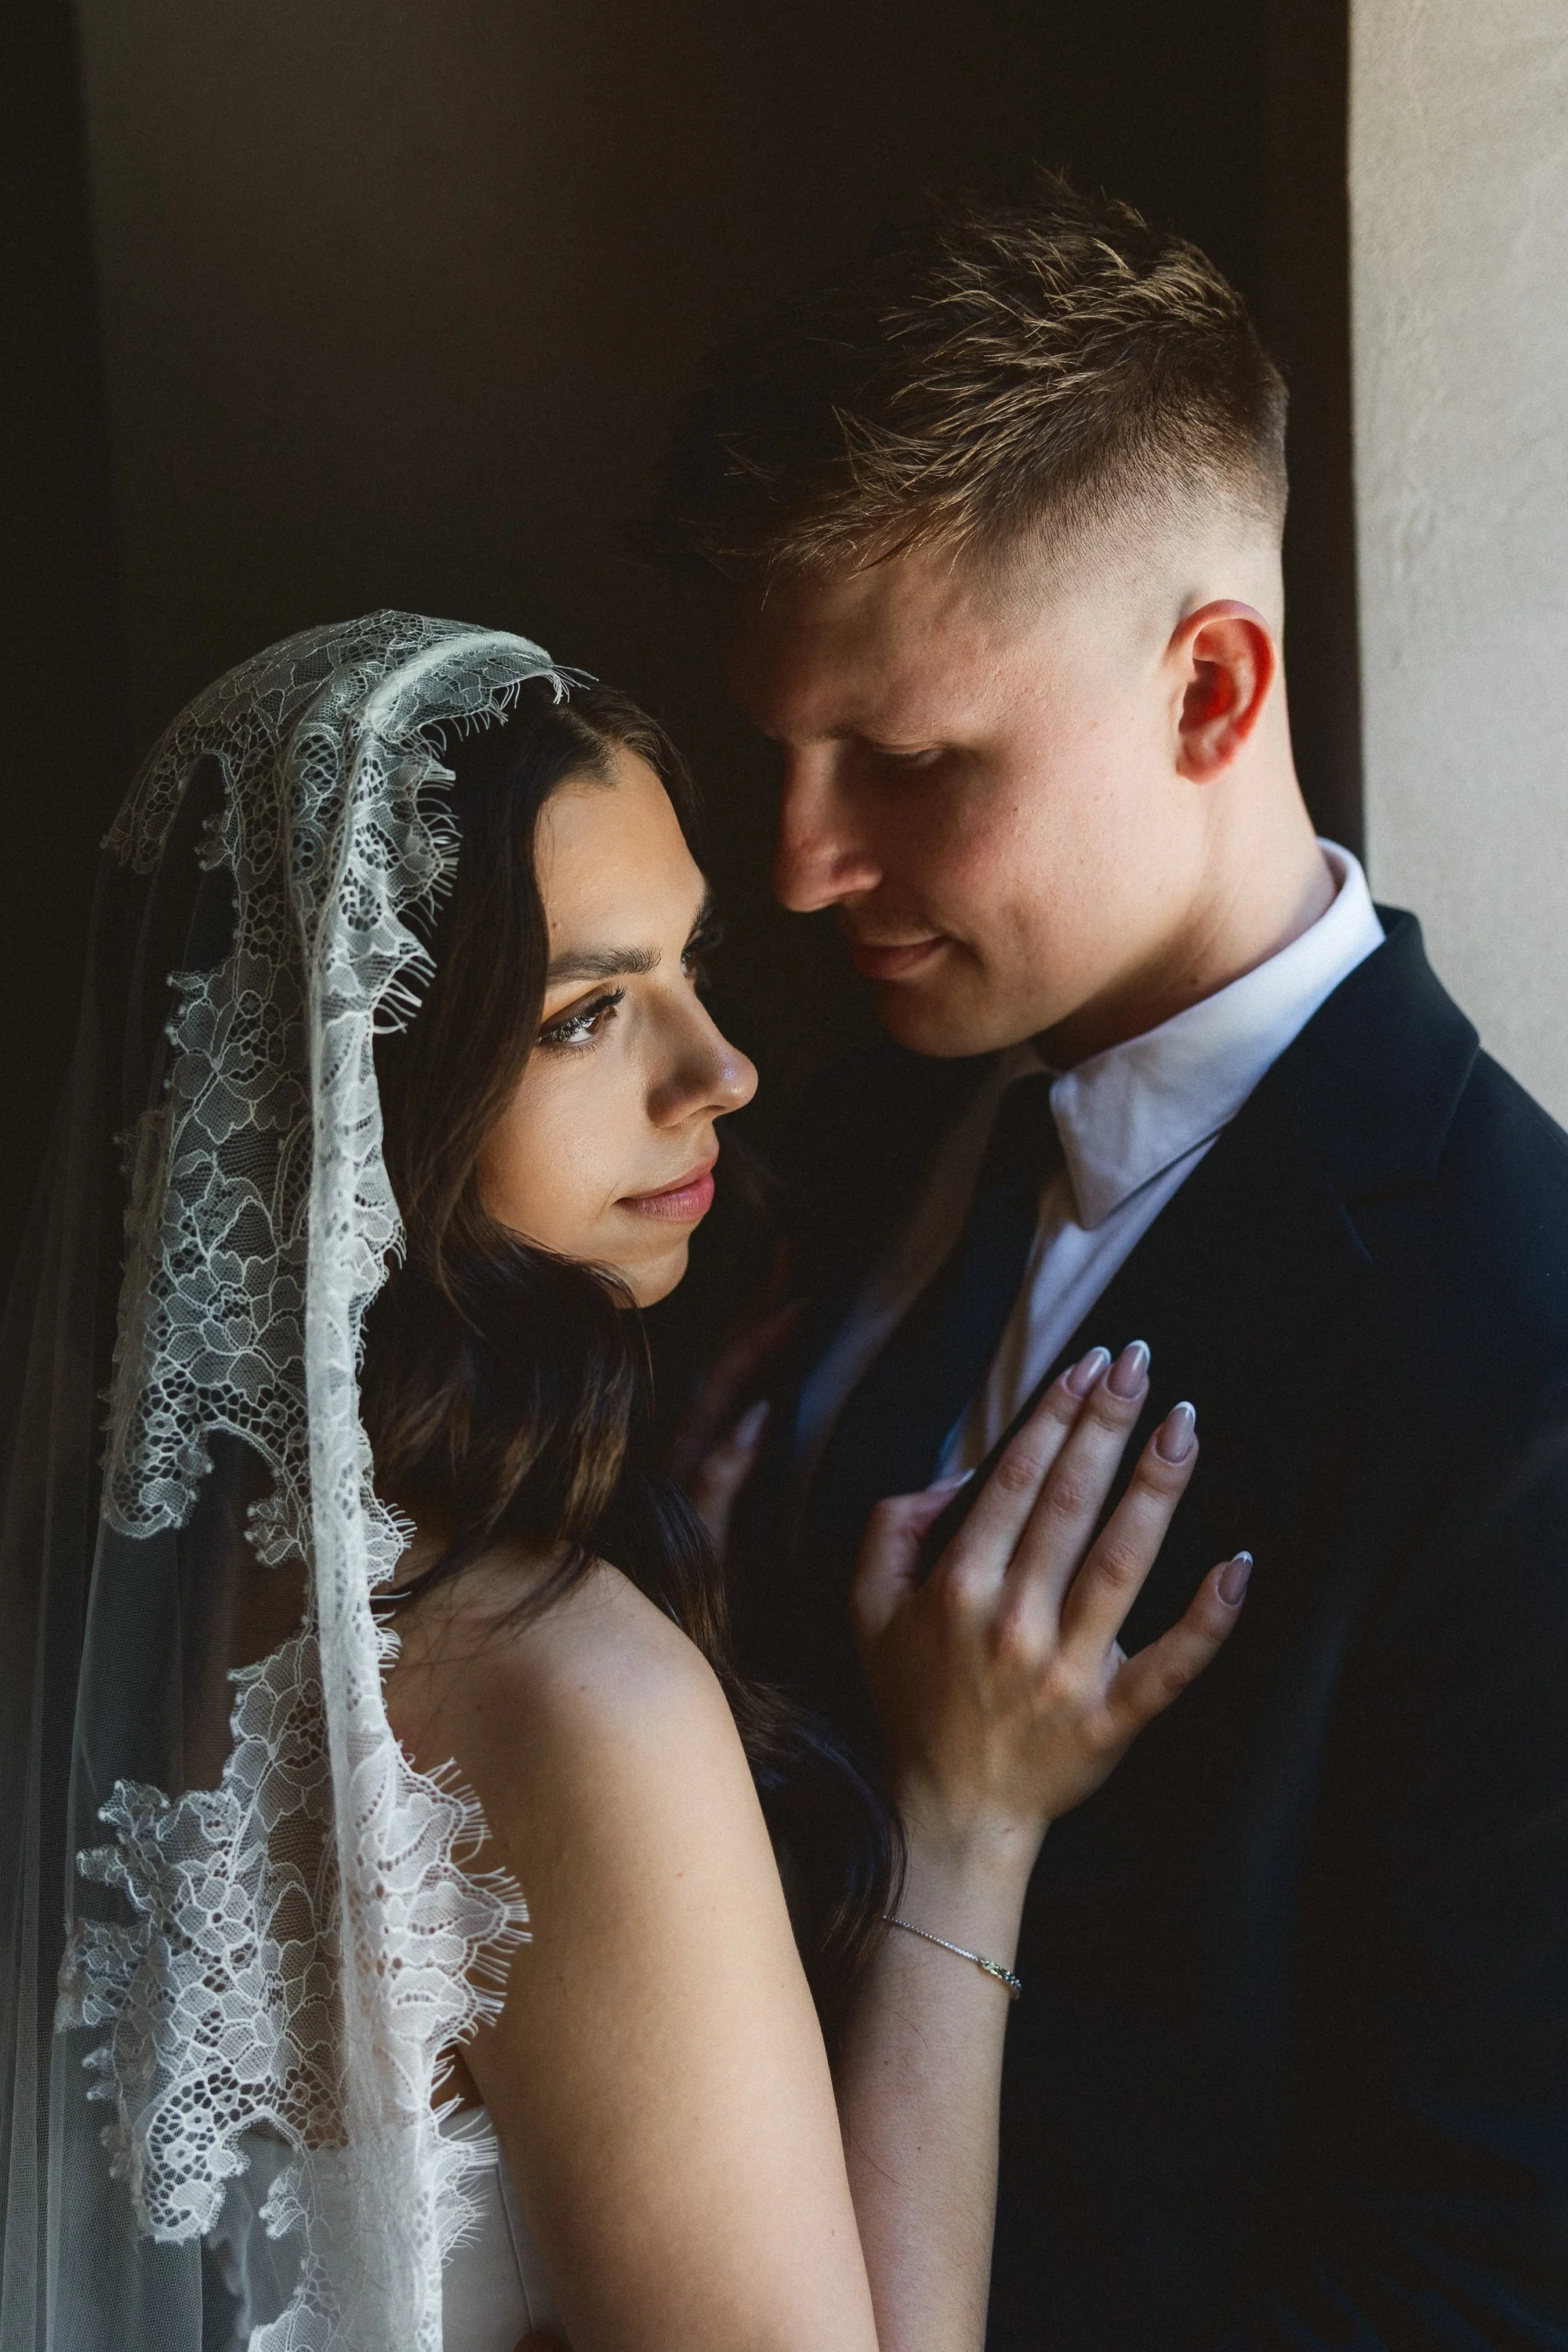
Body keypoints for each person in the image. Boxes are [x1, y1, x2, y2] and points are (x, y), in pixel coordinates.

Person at [0, 612, 1243, 2352]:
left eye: (687, 969)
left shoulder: (95, 1586)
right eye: (589, 1014)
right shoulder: (568, 1698)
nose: (719, 1070)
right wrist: (965, 1834)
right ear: (355, 1094)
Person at [652, 175, 1568, 2346]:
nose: (795, 864)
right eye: (778, 752)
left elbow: (1480, 2267)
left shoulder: (1518, 1356)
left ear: (1213, 687)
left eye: (907, 761)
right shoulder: (830, 1116)